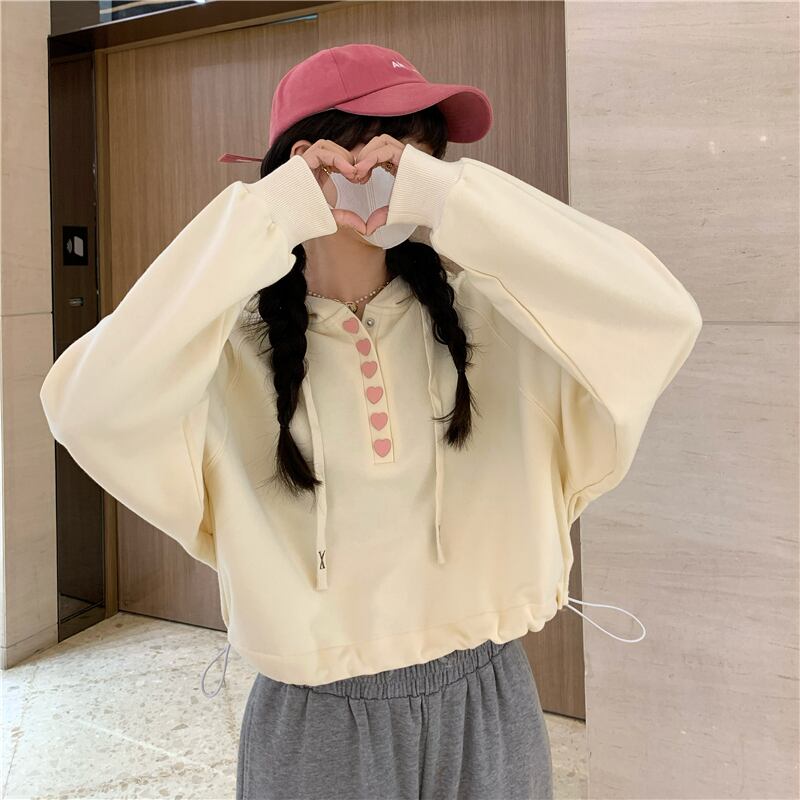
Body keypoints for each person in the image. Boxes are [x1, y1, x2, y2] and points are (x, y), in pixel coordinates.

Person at [39, 43, 702, 800]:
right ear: (305, 164)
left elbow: (663, 316)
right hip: (316, 717)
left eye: (419, 152)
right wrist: (269, 213)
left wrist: (449, 200)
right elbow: (83, 406)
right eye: (383, 147)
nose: (400, 167)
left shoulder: (492, 321)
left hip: (487, 697)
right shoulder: (224, 356)